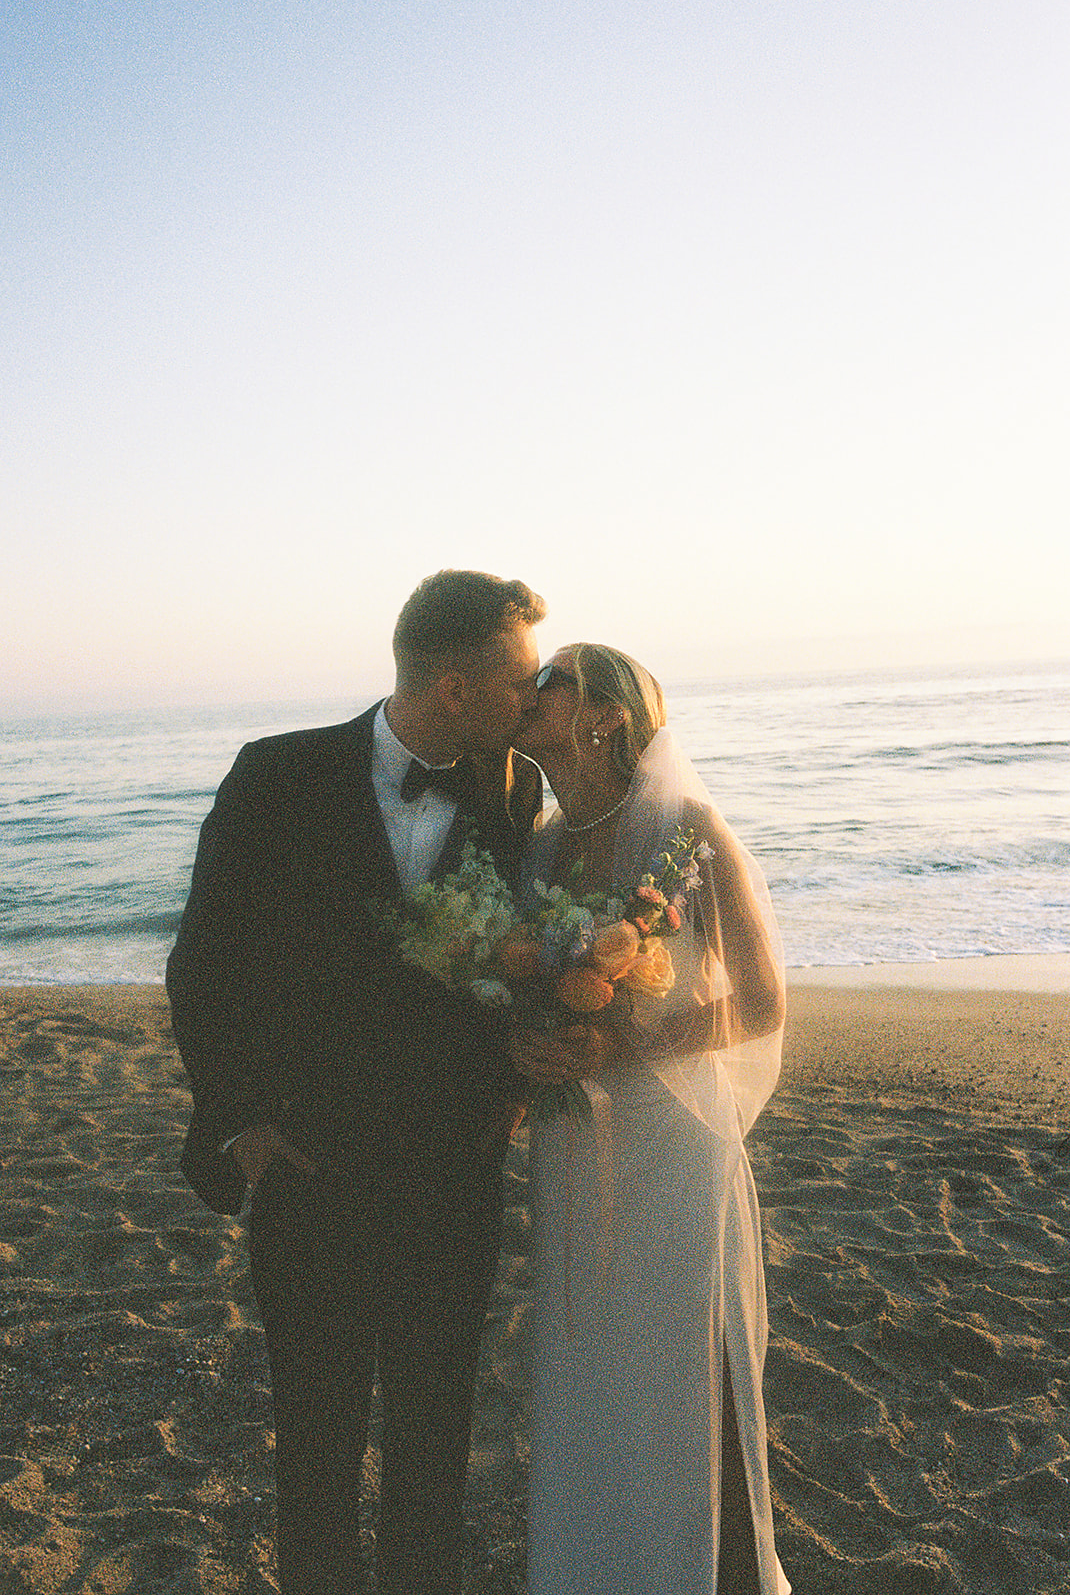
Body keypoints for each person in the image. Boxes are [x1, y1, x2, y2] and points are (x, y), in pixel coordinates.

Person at [166, 570, 546, 1595]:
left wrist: (516, 1084)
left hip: (450, 1175)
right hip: (310, 1168)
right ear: (455, 689)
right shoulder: (274, 776)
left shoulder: (516, 793)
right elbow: (205, 962)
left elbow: (530, 963)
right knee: (317, 1441)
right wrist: (239, 1118)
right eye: (519, 678)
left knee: (434, 1441)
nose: (535, 696)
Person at [511, 643, 791, 1595]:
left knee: (679, 1368)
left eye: (552, 683)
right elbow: (520, 989)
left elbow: (762, 1006)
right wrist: (531, 1044)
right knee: (586, 1369)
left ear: (607, 717)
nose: (531, 692)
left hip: (671, 1148)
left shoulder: (691, 833)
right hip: (570, 1140)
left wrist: (622, 1049)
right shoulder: (539, 843)